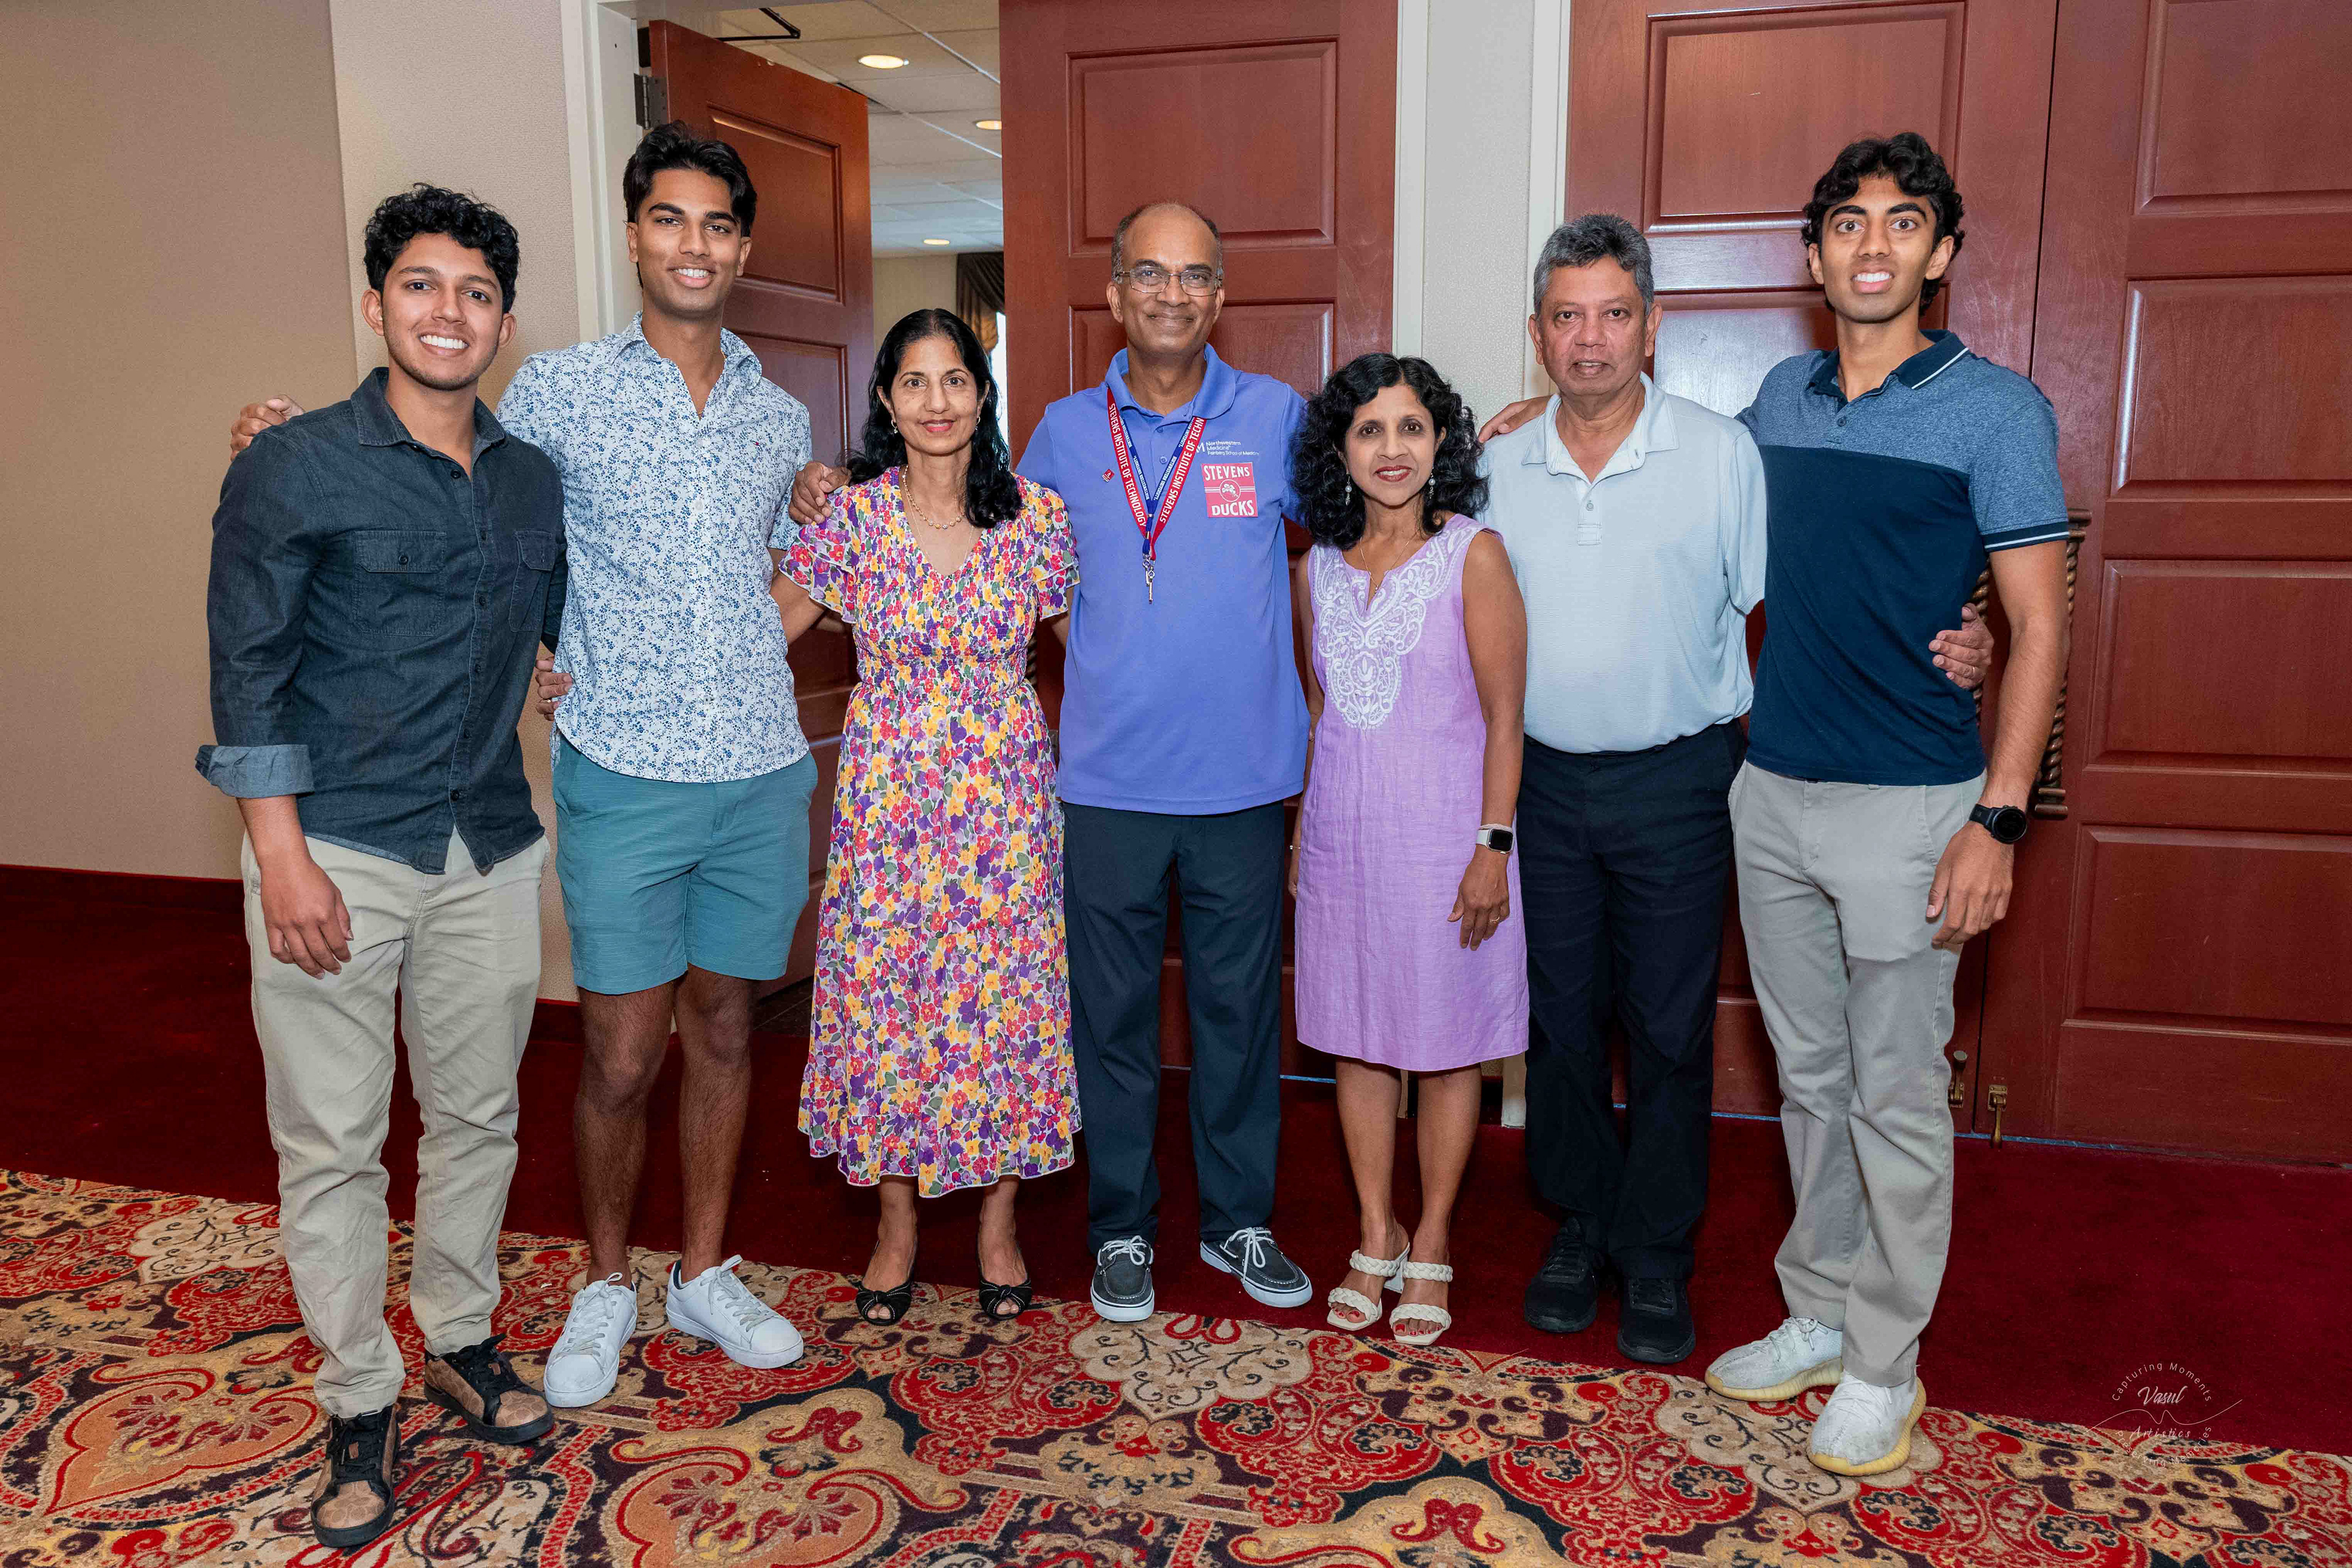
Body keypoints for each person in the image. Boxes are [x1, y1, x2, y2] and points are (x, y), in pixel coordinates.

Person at [230, 123, 819, 1407]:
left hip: (757, 769)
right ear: (633, 236)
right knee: (620, 1054)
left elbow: (778, 570)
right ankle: (605, 1282)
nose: (695, 244)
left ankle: (701, 1271)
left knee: (727, 1029)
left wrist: (759, 618)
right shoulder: (554, 391)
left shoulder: (782, 417)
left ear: (743, 248)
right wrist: (280, 440)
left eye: (719, 224)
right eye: (670, 218)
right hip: (618, 772)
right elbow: (425, 461)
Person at [1474, 220, 1994, 1368]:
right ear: (1538, 335)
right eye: (1568, 317)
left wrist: (1971, 633)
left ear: (1654, 326)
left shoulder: (1723, 454)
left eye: (1616, 314)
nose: (1592, 339)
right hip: (1542, 784)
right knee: (1560, 1022)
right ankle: (1580, 1224)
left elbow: (1816, 594)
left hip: (1682, 780)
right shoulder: (1494, 467)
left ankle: (1657, 1250)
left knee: (1669, 1027)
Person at [792, 202, 1314, 1322]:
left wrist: (1505, 434)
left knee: (1237, 1018)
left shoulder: (1275, 416)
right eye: (1149, 274)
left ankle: (1239, 1220)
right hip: (1103, 782)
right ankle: (1120, 1228)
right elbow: (1004, 587)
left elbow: (1381, 496)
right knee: (1105, 1021)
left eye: (1194, 275)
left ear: (1219, 295)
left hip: (1240, 779)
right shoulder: (1063, 441)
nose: (1171, 294)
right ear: (1115, 295)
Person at [199, 185, 561, 1551]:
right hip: (335, 848)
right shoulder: (291, 465)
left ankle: (459, 1331)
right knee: (334, 1142)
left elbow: (552, 619)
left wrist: (549, 663)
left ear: (503, 323)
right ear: (375, 303)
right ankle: (358, 1390)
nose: (448, 312)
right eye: (421, 285)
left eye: (475, 292)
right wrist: (279, 859)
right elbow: (247, 670)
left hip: (485, 842)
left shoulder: (529, 479)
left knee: (479, 1117)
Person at [1705, 132, 2069, 1477]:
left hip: (1915, 805)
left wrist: (2000, 818)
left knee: (1898, 1095)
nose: (1873, 244)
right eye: (1848, 223)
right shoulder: (1778, 399)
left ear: (1942, 252)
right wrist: (1534, 421)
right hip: (1772, 791)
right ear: (1815, 256)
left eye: (1903, 221)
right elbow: (1684, 492)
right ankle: (1819, 1309)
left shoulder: (1997, 411)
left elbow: (2037, 625)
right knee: (1809, 1081)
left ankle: (1883, 1365)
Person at [775, 309, 1079, 1323]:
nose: (937, 401)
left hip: (1003, 805)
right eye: (915, 382)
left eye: (956, 380)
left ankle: (999, 1224)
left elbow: (1103, 654)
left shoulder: (1035, 517)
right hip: (889, 807)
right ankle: (895, 1227)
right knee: (890, 1003)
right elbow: (755, 634)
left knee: (1004, 1001)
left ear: (982, 396)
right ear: (887, 399)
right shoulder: (852, 522)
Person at [1289, 355, 1527, 1349]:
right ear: (1341, 451)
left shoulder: (1474, 554)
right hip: (1343, 843)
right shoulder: (1314, 569)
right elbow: (1323, 713)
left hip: (1446, 848)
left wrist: (1492, 848)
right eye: (1370, 430)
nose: (1392, 450)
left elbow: (1507, 719)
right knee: (1356, 1038)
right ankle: (1374, 1230)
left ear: (1441, 445)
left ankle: (1431, 1239)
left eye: (1412, 428)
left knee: (1444, 1046)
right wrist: (1302, 834)